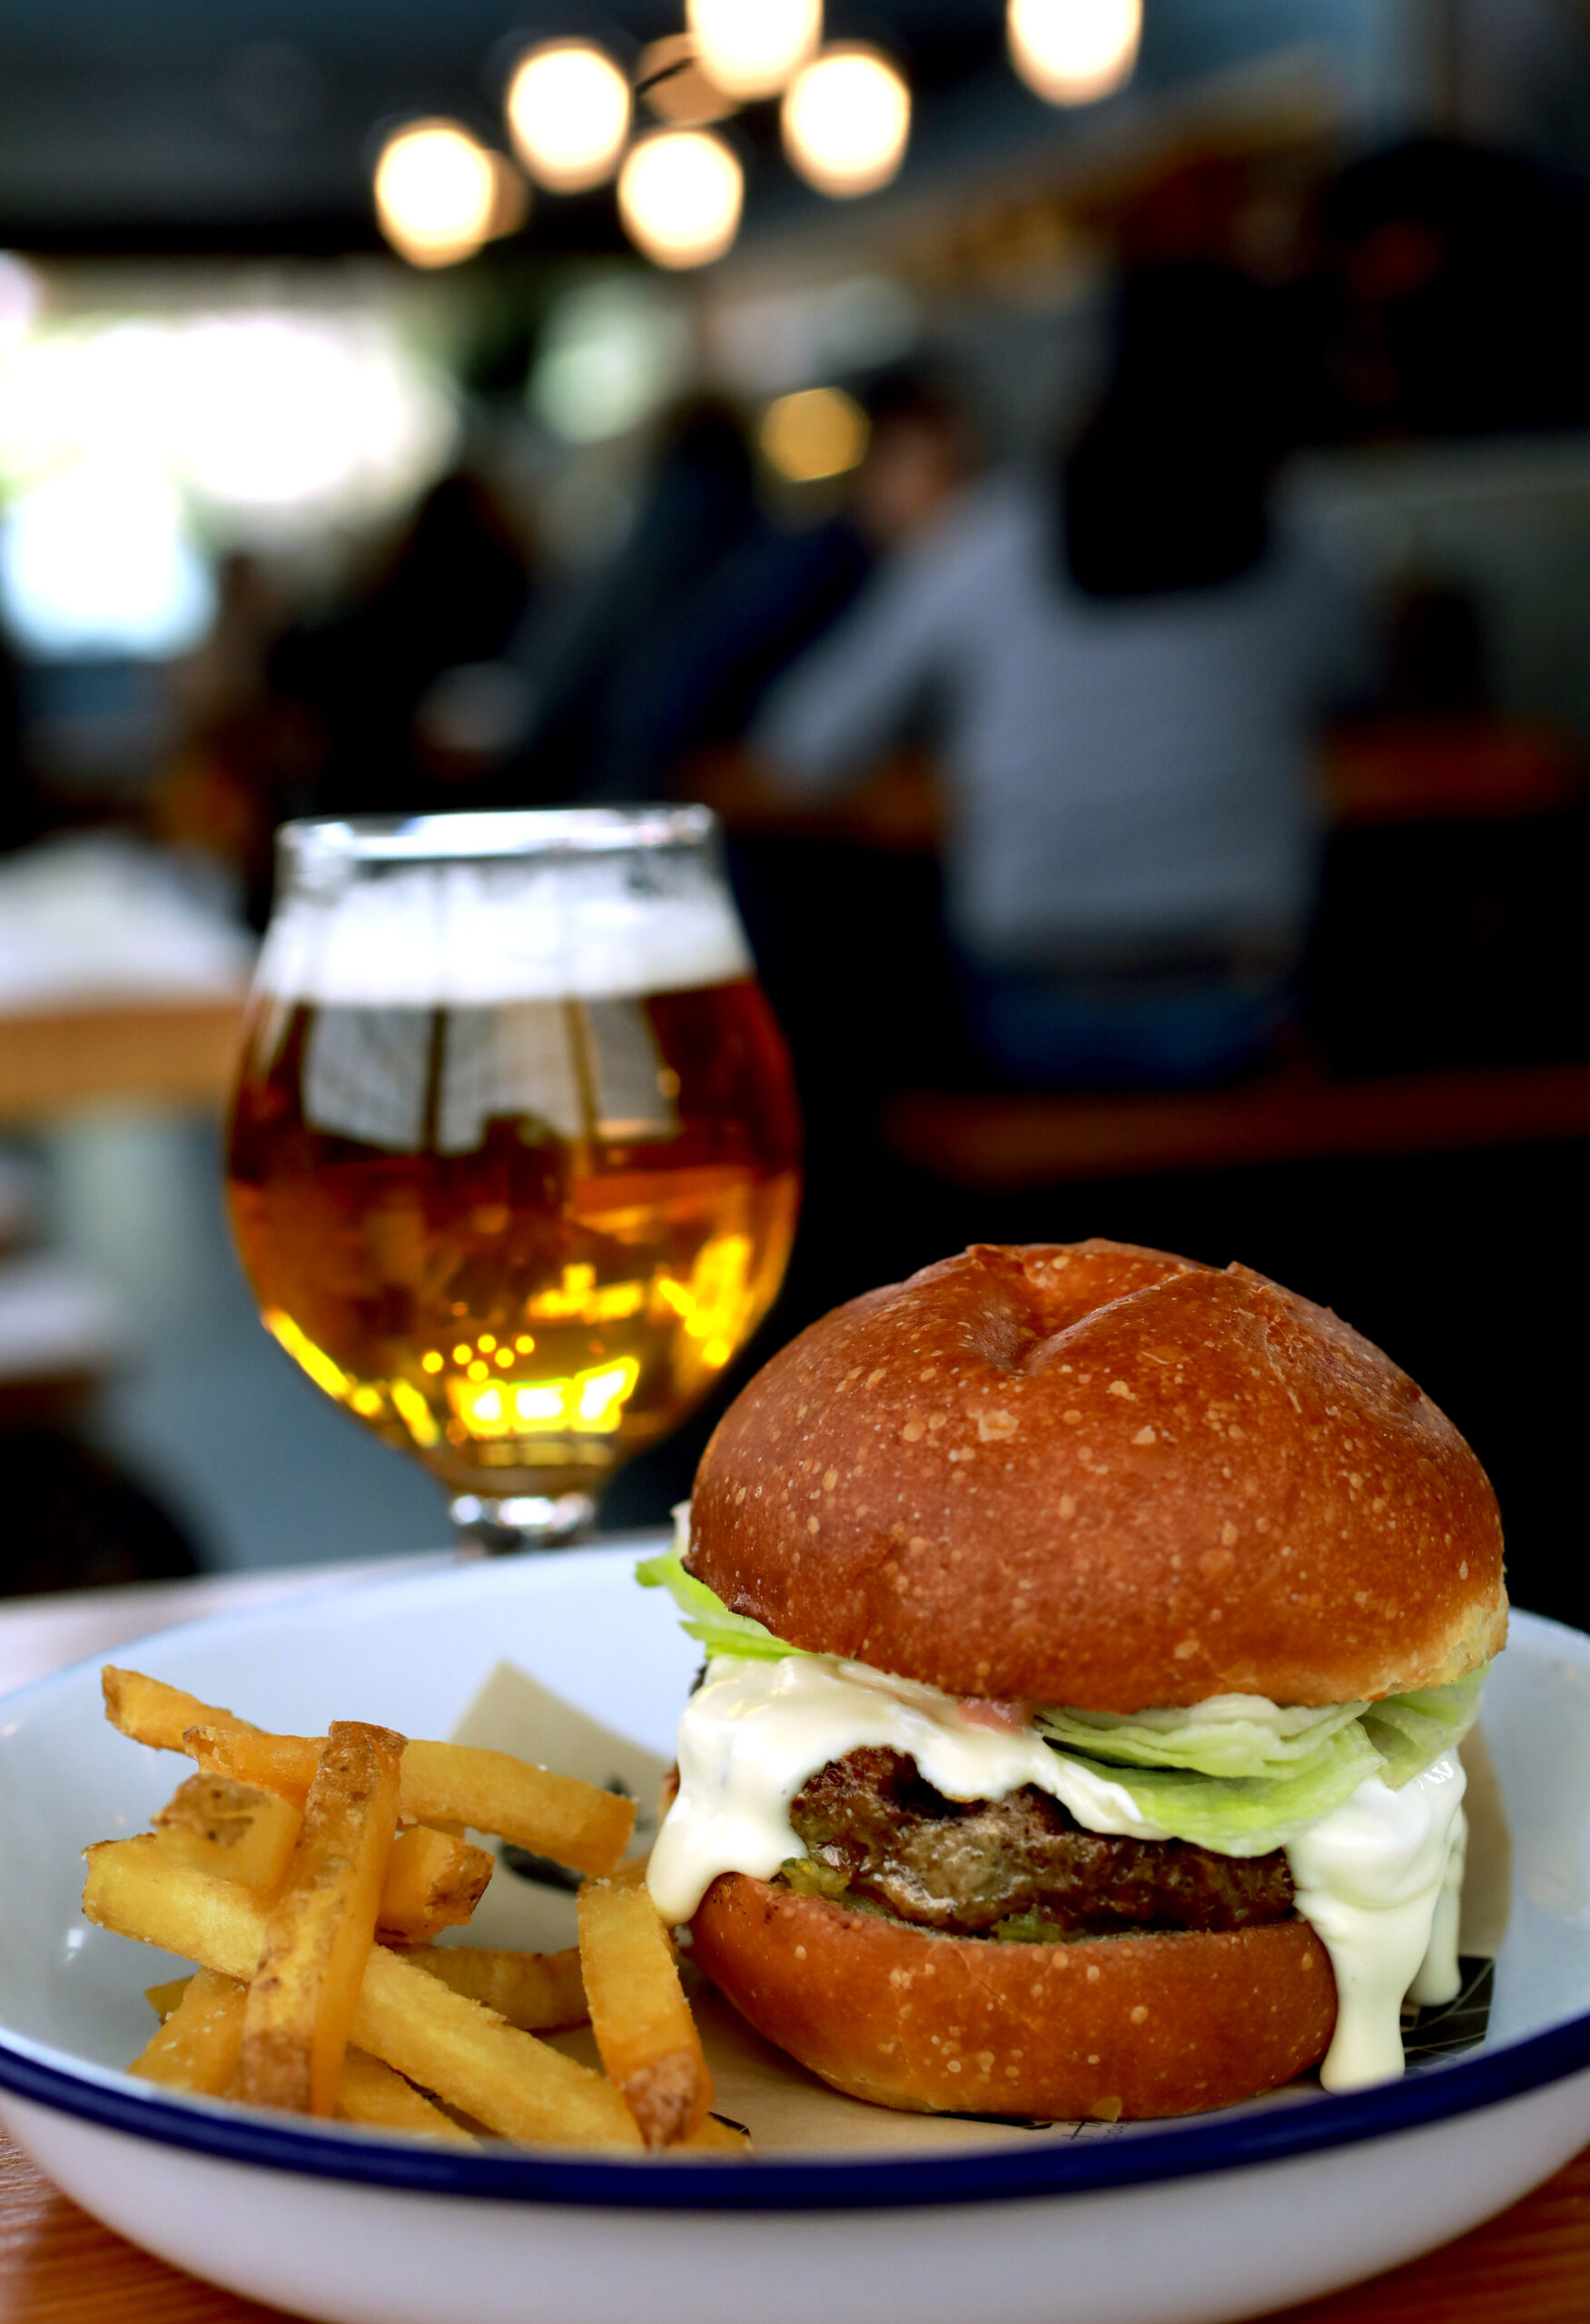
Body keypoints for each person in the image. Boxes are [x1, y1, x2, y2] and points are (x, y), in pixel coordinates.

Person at [752, 271, 1367, 1090]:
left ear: (1081, 398)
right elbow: (1362, 688)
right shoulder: (1300, 555)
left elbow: (802, 744)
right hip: (1243, 1002)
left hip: (1027, 1013)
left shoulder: (987, 542)